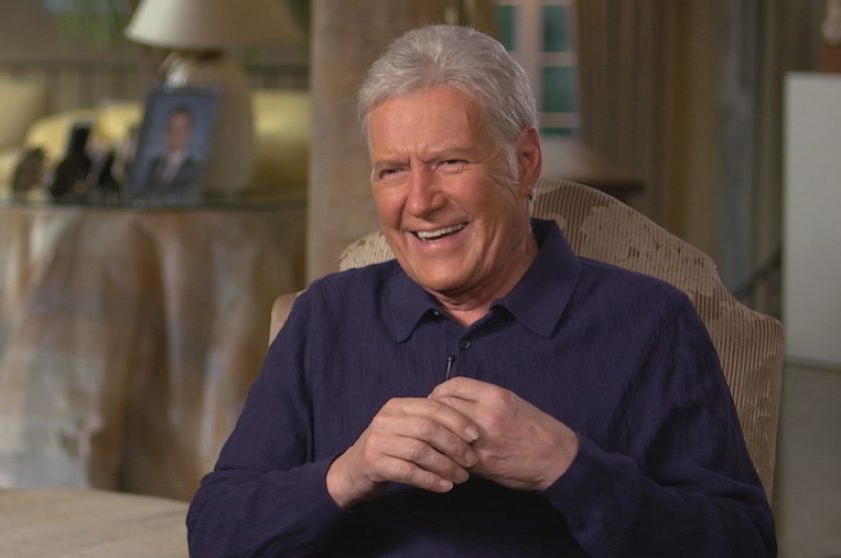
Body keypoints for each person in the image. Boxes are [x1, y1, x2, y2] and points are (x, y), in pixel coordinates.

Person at [186, 25, 775, 557]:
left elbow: (741, 544)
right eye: (393, 170)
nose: (419, 202)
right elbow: (215, 533)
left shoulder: (651, 324)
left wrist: (567, 466)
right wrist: (346, 475)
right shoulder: (326, 317)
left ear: (524, 164)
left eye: (449, 162)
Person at [144, 106, 203, 192]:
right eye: (170, 128)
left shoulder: (194, 169)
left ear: (188, 133)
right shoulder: (155, 164)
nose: (174, 135)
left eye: (179, 130)